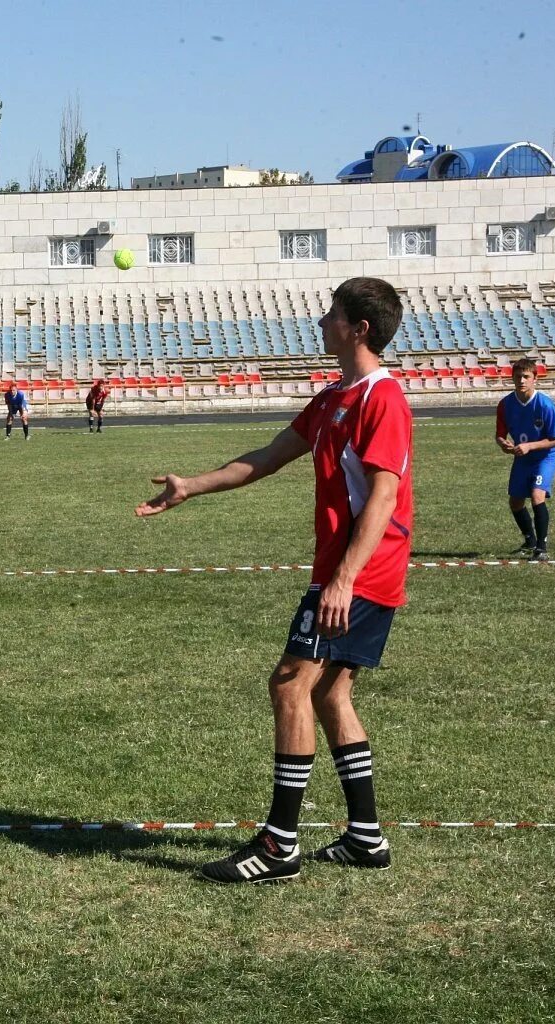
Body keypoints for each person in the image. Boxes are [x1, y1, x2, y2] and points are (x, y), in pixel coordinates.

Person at [137, 277, 413, 885]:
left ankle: (279, 844)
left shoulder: (381, 399)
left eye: (332, 314)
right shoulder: (333, 398)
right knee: (329, 693)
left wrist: (342, 581)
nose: (321, 322)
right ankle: (365, 838)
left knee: (289, 684)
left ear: (358, 328)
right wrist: (192, 487)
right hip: (348, 573)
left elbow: (385, 495)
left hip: (360, 573)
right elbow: (266, 456)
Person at [495, 360, 555, 561]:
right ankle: (529, 539)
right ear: (512, 378)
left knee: (536, 495)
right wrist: (503, 444)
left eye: (526, 377)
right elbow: (499, 434)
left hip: (544, 456)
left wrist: (529, 446)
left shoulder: (544, 405)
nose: (522, 380)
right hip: (522, 456)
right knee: (515, 502)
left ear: (535, 379)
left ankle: (541, 548)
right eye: (518, 376)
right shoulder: (505, 404)